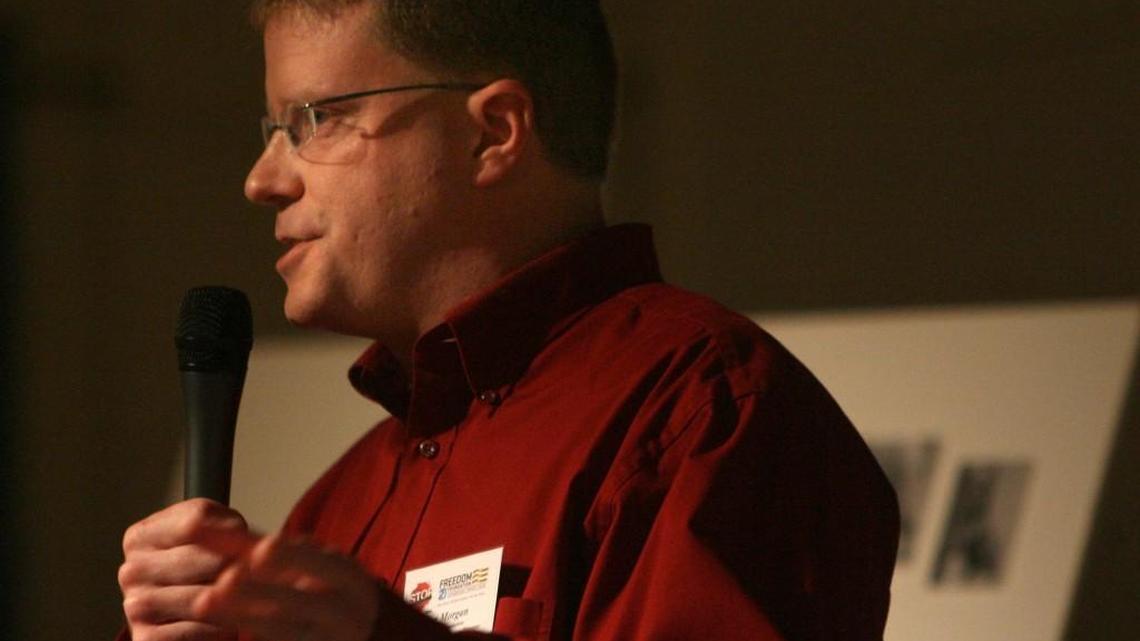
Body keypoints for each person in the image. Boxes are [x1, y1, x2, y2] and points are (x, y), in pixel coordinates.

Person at [116, 1, 900, 640]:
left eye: (314, 120)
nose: (264, 179)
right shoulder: (339, 500)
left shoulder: (706, 411)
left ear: (494, 133)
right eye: (274, 129)